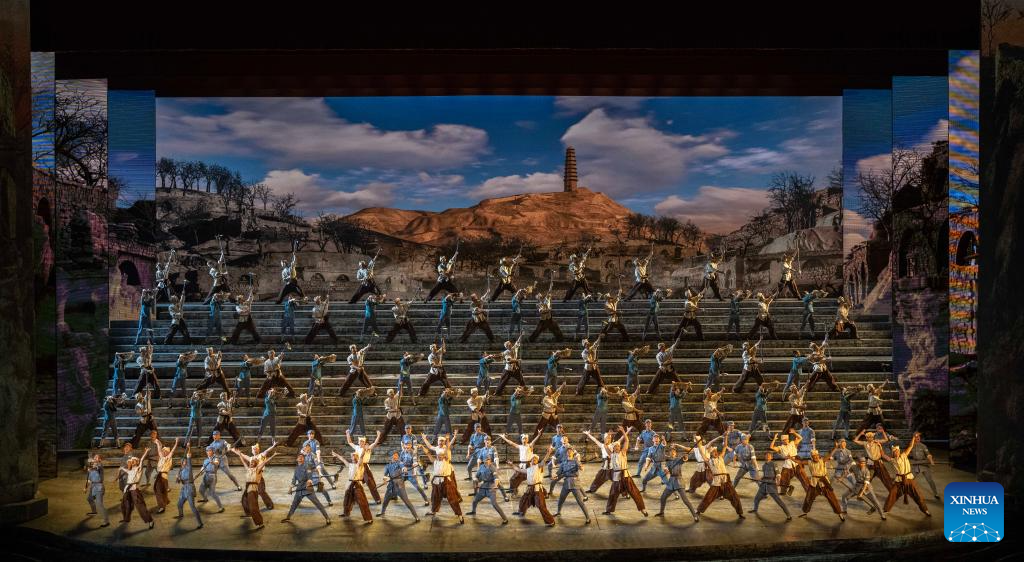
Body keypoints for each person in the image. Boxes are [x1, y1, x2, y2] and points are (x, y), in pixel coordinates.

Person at [695, 435, 745, 519]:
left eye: (715, 451)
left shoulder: (721, 457)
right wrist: (698, 442)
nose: (715, 452)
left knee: (735, 497)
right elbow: (701, 452)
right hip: (716, 483)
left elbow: (725, 446)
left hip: (725, 482)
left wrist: (726, 437)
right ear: (711, 454)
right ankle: (699, 510)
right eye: (713, 452)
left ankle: (740, 513)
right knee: (708, 497)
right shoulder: (709, 461)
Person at [602, 427, 648, 516]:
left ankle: (643, 509)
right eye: (615, 446)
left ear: (620, 447)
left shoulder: (623, 452)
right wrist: (608, 436)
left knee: (634, 492)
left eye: (618, 446)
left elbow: (626, 441)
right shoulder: (611, 454)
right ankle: (609, 510)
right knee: (613, 493)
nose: (617, 447)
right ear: (613, 448)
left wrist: (623, 431)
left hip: (626, 476)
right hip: (616, 477)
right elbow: (605, 445)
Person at [419, 434, 465, 523]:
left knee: (452, 498)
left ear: (444, 456)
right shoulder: (435, 461)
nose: (440, 456)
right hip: (437, 482)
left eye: (441, 455)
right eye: (438, 455)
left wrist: (448, 439)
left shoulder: (446, 460)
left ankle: (459, 515)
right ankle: (433, 511)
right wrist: (422, 445)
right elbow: (428, 452)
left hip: (446, 482)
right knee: (435, 497)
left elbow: (447, 448)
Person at [883, 441, 931, 516]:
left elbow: (910, 446)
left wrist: (913, 438)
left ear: (899, 451)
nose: (896, 452)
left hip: (908, 479)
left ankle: (925, 510)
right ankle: (886, 510)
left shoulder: (904, 455)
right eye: (894, 452)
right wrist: (879, 446)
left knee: (918, 495)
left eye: (897, 451)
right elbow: (883, 455)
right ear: (893, 453)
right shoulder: (892, 460)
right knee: (892, 493)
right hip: (899, 481)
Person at [282, 453, 331, 525]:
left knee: (317, 504)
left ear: (303, 459)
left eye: (302, 457)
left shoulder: (307, 466)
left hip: (308, 489)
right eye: (299, 457)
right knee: (294, 504)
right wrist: (290, 488)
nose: (300, 458)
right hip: (299, 489)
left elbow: (309, 476)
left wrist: (309, 481)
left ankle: (327, 518)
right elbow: (294, 479)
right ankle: (288, 517)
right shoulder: (296, 468)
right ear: (297, 459)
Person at [509, 453, 557, 525]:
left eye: (535, 459)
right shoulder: (528, 469)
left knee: (541, 505)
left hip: (537, 489)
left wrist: (548, 453)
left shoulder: (538, 467)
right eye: (532, 459)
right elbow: (518, 469)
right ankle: (521, 512)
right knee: (523, 501)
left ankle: (550, 521)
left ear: (537, 461)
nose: (534, 460)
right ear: (530, 461)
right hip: (529, 488)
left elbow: (544, 461)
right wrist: (511, 465)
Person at [655, 443, 699, 521]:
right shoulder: (668, 461)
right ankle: (661, 512)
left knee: (685, 500)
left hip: (679, 481)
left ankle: (695, 515)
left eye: (674, 452)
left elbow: (685, 459)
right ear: (669, 453)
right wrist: (666, 470)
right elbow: (665, 467)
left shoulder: (679, 460)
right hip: (671, 482)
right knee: (663, 497)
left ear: (676, 453)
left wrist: (685, 457)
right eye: (671, 451)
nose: (672, 453)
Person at [234, 448, 276, 529]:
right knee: (244, 501)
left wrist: (273, 455)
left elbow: (265, 462)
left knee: (253, 506)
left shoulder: (257, 469)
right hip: (247, 488)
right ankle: (248, 513)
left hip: (253, 489)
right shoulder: (248, 469)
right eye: (251, 462)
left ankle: (260, 523)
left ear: (256, 464)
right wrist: (239, 454)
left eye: (253, 462)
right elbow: (243, 462)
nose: (251, 463)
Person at [799, 449, 845, 520]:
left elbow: (830, 454)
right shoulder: (810, 462)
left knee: (832, 498)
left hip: (824, 482)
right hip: (814, 483)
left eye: (817, 455)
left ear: (818, 455)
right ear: (812, 457)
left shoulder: (822, 460)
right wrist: (791, 458)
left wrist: (835, 448)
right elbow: (800, 462)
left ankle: (839, 513)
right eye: (814, 456)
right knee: (809, 497)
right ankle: (805, 512)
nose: (816, 457)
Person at [330, 451, 374, 523]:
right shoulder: (350, 465)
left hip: (357, 485)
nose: (353, 457)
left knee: (362, 502)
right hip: (350, 484)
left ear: (357, 457)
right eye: (352, 456)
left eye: (354, 456)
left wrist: (363, 450)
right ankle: (346, 513)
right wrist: (336, 454)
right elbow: (343, 459)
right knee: (347, 500)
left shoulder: (359, 465)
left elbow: (361, 456)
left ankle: (369, 518)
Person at [497, 431, 544, 497]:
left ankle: (541, 491)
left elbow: (534, 441)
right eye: (523, 439)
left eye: (525, 439)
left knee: (534, 479)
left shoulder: (530, 446)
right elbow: (511, 443)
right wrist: (504, 438)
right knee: (513, 479)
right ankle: (513, 490)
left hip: (528, 465)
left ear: (527, 440)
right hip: (522, 465)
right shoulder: (520, 446)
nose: (524, 440)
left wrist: (538, 435)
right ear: (521, 440)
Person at [378, 451, 421, 521]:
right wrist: (385, 479)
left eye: (397, 455)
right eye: (394, 455)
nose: (396, 457)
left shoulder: (400, 463)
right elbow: (385, 475)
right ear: (391, 457)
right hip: (391, 486)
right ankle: (382, 512)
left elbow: (403, 467)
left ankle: (416, 516)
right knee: (386, 500)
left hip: (399, 485)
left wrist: (404, 469)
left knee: (406, 501)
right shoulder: (388, 466)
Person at [749, 450, 792, 520]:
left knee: (779, 501)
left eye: (769, 456)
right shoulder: (764, 466)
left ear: (771, 457)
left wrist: (778, 481)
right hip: (764, 485)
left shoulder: (774, 464)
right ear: (765, 457)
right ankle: (755, 509)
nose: (767, 456)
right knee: (756, 498)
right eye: (766, 455)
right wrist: (758, 478)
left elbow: (778, 473)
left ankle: (788, 515)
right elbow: (764, 475)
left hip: (771, 485)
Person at [118, 451, 155, 529]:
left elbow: (141, 460)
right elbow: (126, 470)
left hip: (134, 490)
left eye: (134, 461)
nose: (132, 462)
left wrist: (146, 452)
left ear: (137, 462)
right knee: (124, 505)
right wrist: (121, 468)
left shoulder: (138, 469)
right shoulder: (131, 470)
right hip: (127, 490)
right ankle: (126, 518)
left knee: (140, 506)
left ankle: (150, 520)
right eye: (132, 461)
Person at [347, 430, 385, 504]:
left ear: (364, 442)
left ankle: (377, 499)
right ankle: (353, 498)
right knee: (354, 483)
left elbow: (375, 443)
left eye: (362, 442)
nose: (360, 443)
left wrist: (378, 436)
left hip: (365, 467)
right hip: (358, 467)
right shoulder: (357, 447)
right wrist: (347, 433)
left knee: (371, 483)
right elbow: (350, 442)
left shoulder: (367, 448)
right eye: (359, 441)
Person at [468, 456, 509, 524]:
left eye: (488, 460)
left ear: (490, 460)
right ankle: (473, 511)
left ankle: (505, 519)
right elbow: (476, 476)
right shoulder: (481, 467)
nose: (487, 461)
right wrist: (475, 481)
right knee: (475, 500)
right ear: (483, 460)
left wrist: (495, 486)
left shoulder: (492, 468)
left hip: (491, 487)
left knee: (494, 504)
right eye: (486, 460)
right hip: (483, 487)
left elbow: (496, 478)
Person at [770, 429, 810, 495]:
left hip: (796, 462)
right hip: (787, 464)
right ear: (782, 441)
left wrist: (794, 433)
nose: (785, 441)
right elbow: (771, 447)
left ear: (788, 440)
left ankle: (809, 491)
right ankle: (783, 491)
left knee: (803, 478)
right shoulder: (780, 447)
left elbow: (800, 438)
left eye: (786, 439)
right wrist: (774, 439)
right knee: (784, 478)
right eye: (783, 440)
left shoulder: (792, 443)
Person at [173, 448, 204, 528]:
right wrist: (177, 478)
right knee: (179, 504)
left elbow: (189, 459)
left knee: (192, 507)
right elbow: (178, 482)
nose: (184, 462)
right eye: (183, 461)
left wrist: (188, 450)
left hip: (189, 488)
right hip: (184, 488)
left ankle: (200, 523)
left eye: (185, 461)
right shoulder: (180, 470)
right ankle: (181, 514)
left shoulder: (189, 468)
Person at [908, 432, 941, 500]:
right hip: (916, 464)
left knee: (930, 480)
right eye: (916, 437)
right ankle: (908, 491)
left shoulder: (923, 446)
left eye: (919, 436)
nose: (918, 438)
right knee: (910, 479)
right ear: (913, 438)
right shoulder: (911, 446)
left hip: (924, 464)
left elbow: (928, 454)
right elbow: (907, 453)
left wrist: (931, 460)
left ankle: (936, 493)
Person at [582, 429, 615, 494]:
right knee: (598, 478)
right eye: (606, 438)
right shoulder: (602, 445)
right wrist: (588, 434)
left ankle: (624, 492)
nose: (607, 439)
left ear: (610, 439)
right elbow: (595, 440)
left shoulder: (612, 445)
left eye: (608, 438)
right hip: (604, 468)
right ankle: (592, 489)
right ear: (604, 439)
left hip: (612, 468)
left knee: (617, 480)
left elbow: (620, 440)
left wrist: (625, 432)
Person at [153, 437, 181, 513]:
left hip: (163, 476)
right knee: (159, 490)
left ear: (168, 453)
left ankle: (162, 506)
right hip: (160, 475)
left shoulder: (168, 458)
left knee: (159, 491)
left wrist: (176, 443)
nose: (163, 452)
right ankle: (166, 501)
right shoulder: (162, 458)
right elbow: (159, 449)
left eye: (165, 451)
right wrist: (157, 443)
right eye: (163, 451)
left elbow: (173, 451)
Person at [202, 238, 231, 304]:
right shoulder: (211, 271)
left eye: (211, 264)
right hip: (217, 283)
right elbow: (217, 275)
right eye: (210, 266)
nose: (211, 266)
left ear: (212, 264)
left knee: (228, 292)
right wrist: (224, 273)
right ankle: (206, 302)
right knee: (212, 293)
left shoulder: (218, 266)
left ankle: (231, 300)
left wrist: (222, 254)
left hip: (222, 282)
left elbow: (220, 260)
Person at [84, 454, 110, 527]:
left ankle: (106, 521)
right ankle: (94, 511)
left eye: (97, 457)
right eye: (94, 457)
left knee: (99, 504)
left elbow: (96, 467)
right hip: (93, 487)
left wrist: (90, 466)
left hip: (99, 487)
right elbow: (89, 480)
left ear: (100, 460)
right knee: (89, 499)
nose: (95, 458)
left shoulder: (100, 466)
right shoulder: (91, 469)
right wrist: (86, 487)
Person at [196, 447, 224, 512]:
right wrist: (199, 473)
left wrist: (213, 462)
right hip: (206, 476)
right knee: (201, 490)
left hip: (212, 477)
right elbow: (203, 468)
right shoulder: (205, 460)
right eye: (207, 451)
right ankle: (205, 499)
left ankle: (221, 507)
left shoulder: (216, 458)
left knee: (212, 493)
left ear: (212, 451)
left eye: (209, 451)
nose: (208, 452)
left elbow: (217, 463)